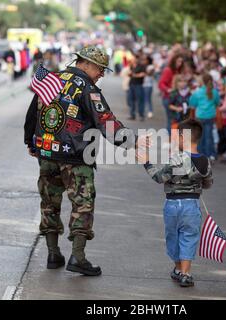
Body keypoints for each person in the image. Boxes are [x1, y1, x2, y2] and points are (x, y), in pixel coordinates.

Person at [24, 46, 149, 276]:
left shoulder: (51, 79)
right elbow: (105, 121)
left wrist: (30, 143)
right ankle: (78, 257)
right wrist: (132, 141)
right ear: (86, 63)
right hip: (76, 157)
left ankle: (53, 254)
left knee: (49, 203)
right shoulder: (88, 89)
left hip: (48, 153)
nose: (102, 74)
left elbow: (33, 112)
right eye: (100, 69)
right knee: (82, 204)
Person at [143, 119, 213, 287]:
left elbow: (159, 177)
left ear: (184, 137)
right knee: (189, 237)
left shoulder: (176, 159)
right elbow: (208, 183)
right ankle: (185, 273)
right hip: (192, 205)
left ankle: (177, 269)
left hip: (173, 205)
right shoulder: (205, 161)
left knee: (172, 237)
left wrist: (146, 161)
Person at [189, 73, 221, 160]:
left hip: (200, 116)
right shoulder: (215, 92)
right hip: (210, 116)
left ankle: (200, 155)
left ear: (202, 82)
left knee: (200, 137)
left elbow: (192, 104)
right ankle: (210, 154)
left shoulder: (198, 92)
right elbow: (217, 103)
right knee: (209, 136)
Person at [159, 54, 184, 133]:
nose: (180, 64)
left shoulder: (177, 71)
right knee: (171, 120)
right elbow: (161, 84)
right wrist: (168, 90)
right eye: (178, 61)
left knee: (175, 120)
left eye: (181, 62)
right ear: (174, 61)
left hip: (176, 98)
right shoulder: (168, 70)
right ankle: (169, 139)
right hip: (168, 98)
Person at [128, 54, 146, 121]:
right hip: (131, 84)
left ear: (137, 59)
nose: (133, 59)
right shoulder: (132, 65)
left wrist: (134, 75)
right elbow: (130, 73)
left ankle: (141, 115)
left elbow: (143, 74)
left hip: (138, 85)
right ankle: (132, 115)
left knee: (140, 100)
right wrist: (130, 74)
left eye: (134, 58)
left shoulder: (141, 66)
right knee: (131, 100)